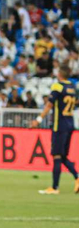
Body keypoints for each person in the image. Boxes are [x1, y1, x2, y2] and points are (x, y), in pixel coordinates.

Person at [35, 64, 78, 195]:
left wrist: (38, 119)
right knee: (63, 156)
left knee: (57, 156)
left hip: (59, 125)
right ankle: (77, 177)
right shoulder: (72, 87)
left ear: (60, 74)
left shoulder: (57, 86)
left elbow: (49, 104)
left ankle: (54, 187)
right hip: (70, 123)